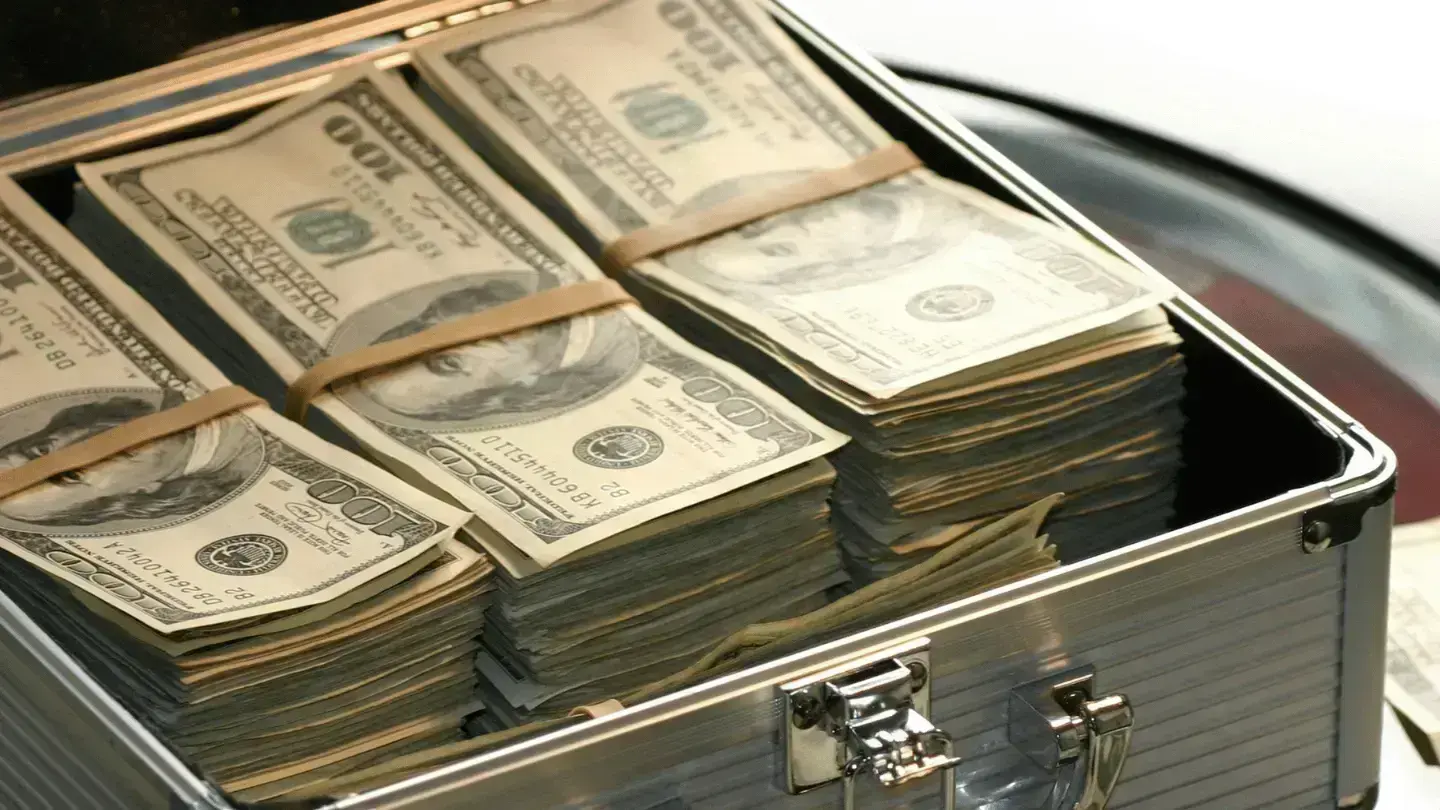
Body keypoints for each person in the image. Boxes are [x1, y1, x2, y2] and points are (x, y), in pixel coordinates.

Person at [351, 276, 640, 424]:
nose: (453, 339)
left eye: (421, 337)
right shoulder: (615, 352)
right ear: (515, 386)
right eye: (449, 362)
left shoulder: (534, 284)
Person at [0, 393, 263, 528]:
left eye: (41, 449)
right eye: (70, 476)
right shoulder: (248, 462)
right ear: (135, 494)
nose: (81, 449)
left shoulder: (171, 390)